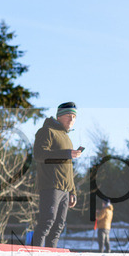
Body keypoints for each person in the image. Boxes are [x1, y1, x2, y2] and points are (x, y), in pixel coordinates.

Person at [32, 102, 84, 247]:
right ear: (60, 116)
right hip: (51, 185)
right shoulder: (47, 131)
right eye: (69, 116)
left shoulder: (67, 137)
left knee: (59, 226)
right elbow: (39, 154)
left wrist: (72, 191)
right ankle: (34, 255)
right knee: (47, 221)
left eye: (74, 117)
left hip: (65, 190)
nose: (72, 120)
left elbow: (67, 168)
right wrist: (67, 153)